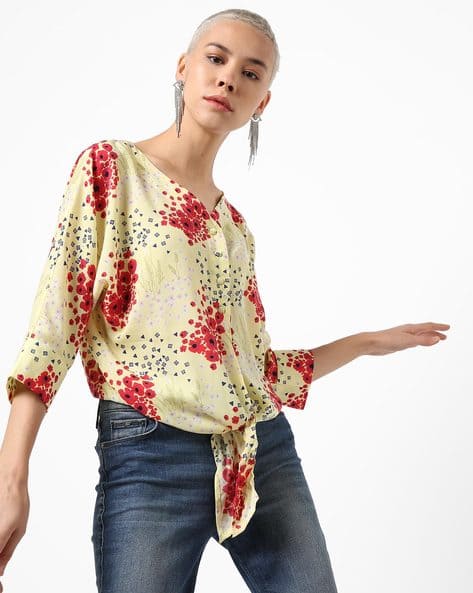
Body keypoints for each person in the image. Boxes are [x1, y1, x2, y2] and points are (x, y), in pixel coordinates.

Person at [0, 8, 450, 593]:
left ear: (262, 101)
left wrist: (364, 343)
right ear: (183, 68)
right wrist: (12, 478)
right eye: (216, 59)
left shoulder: (234, 230)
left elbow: (255, 372)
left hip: (262, 454)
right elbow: (54, 327)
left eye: (251, 73)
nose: (228, 78)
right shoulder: (112, 170)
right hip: (149, 458)